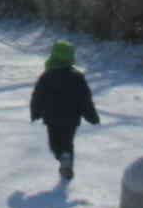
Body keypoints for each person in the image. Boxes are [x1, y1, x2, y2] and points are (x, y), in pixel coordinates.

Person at [29, 40, 100, 182]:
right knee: (67, 142)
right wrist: (91, 116)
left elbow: (37, 96)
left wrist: (35, 112)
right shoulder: (77, 77)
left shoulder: (46, 76)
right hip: (72, 118)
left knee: (54, 143)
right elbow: (85, 99)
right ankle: (66, 160)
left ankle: (62, 157)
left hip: (52, 118)